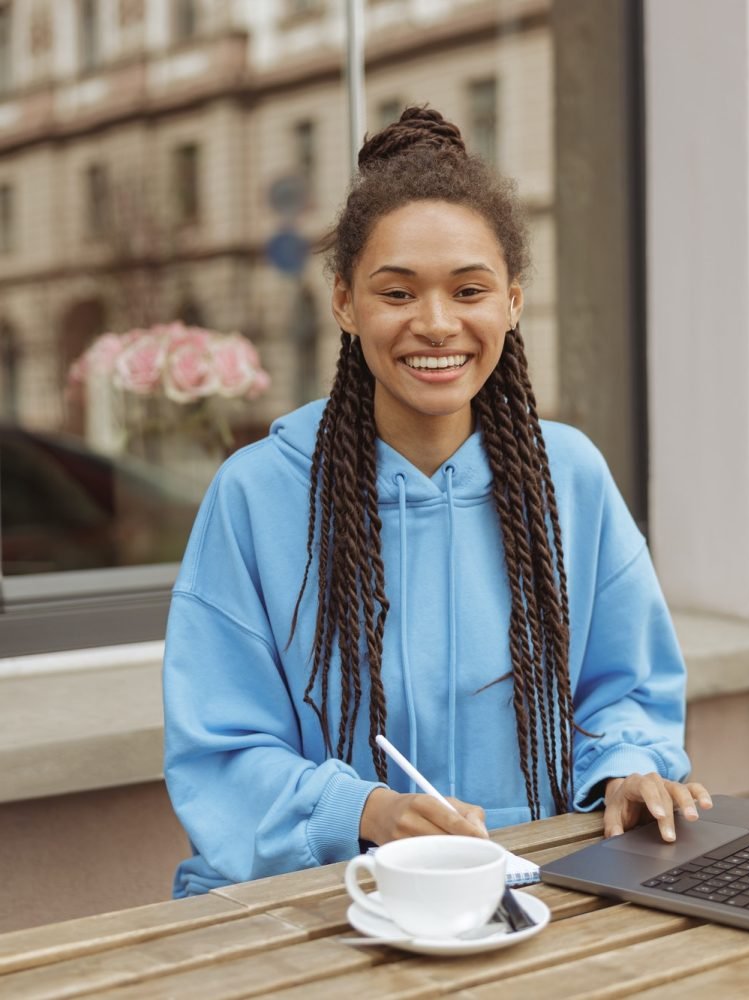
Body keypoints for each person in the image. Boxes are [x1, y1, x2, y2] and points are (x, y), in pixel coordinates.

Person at [163, 106, 711, 897]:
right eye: (398, 292)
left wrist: (627, 768)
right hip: (324, 903)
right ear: (345, 304)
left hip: (531, 894)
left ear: (512, 303)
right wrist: (365, 810)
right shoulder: (256, 495)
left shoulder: (572, 478)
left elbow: (623, 687)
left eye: (469, 289)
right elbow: (219, 751)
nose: (436, 323)